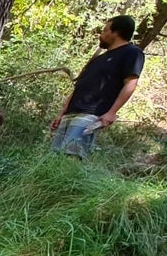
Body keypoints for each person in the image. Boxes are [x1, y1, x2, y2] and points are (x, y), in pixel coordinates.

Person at [50, 15, 144, 158]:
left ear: (116, 32)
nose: (102, 34)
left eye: (105, 30)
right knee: (53, 156)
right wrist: (62, 113)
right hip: (71, 113)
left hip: (91, 114)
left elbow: (131, 83)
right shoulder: (98, 59)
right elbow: (79, 87)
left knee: (71, 157)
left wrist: (112, 112)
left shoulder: (131, 53)